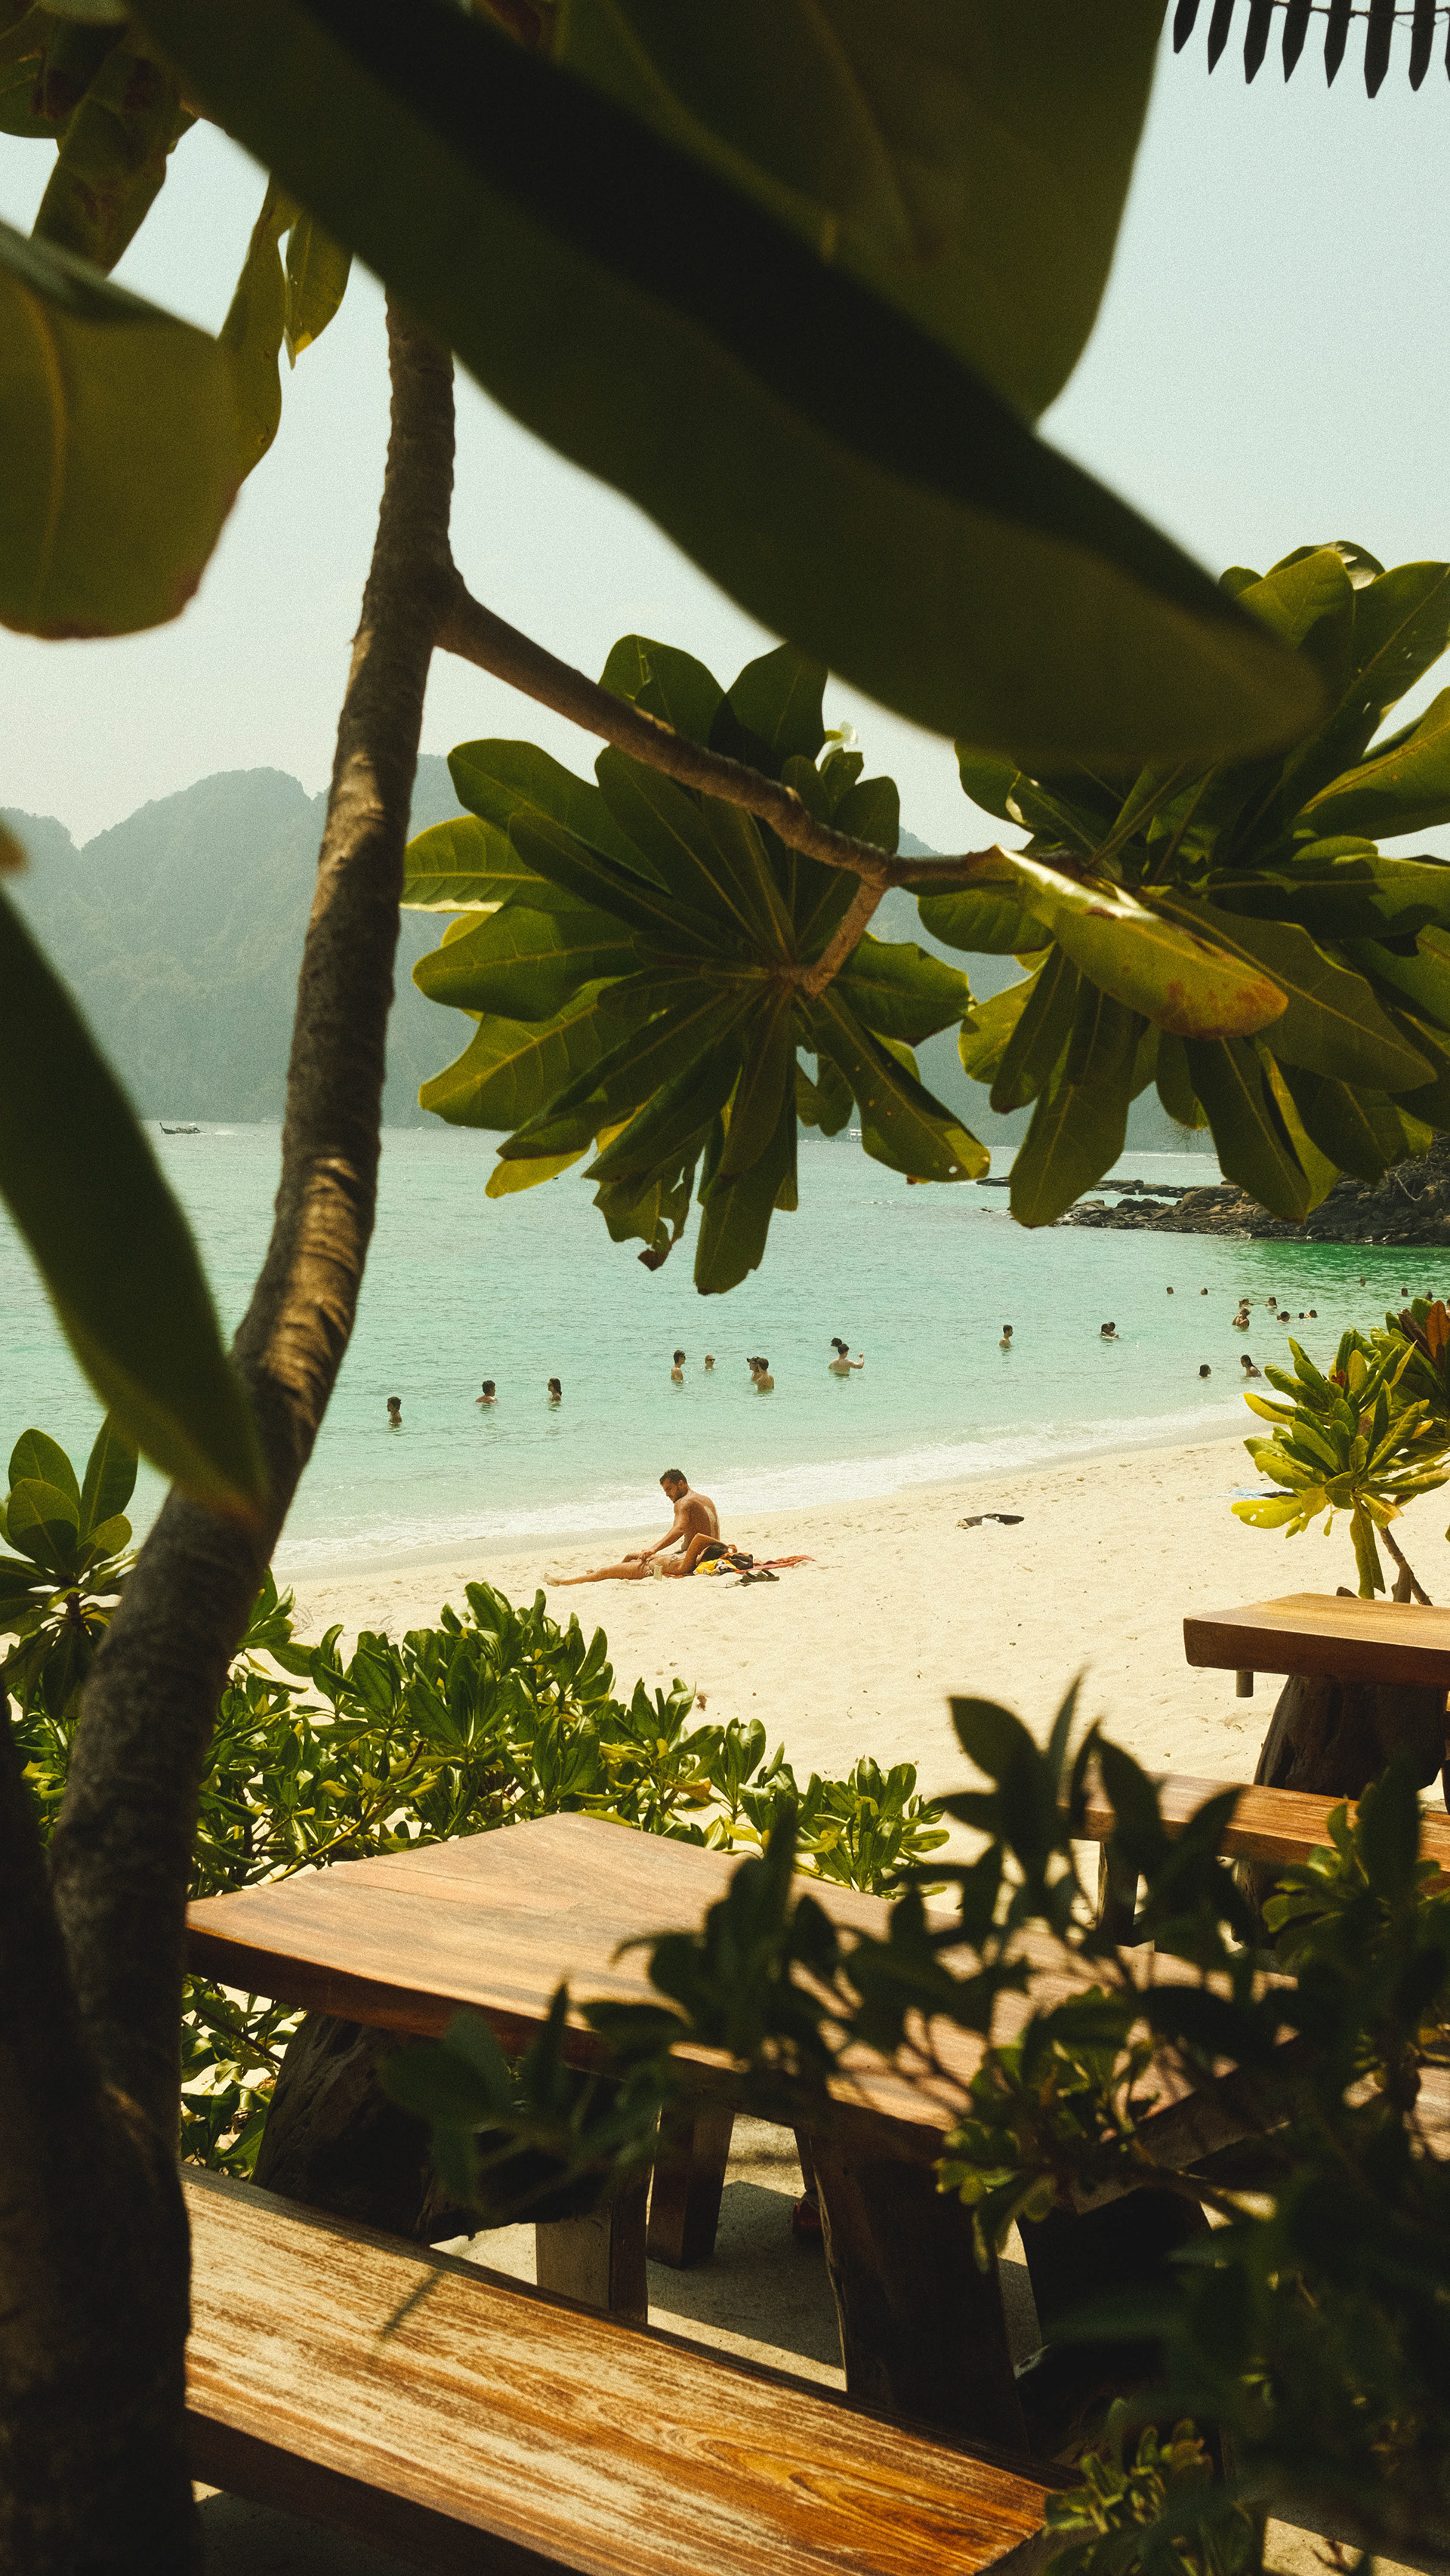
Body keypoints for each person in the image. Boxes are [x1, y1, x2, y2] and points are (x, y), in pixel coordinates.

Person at [551, 1469, 727, 1584]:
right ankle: (609, 1573)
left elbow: (679, 1529)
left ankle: (566, 1581)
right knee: (630, 1557)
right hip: (709, 1551)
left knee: (627, 1564)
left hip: (691, 1556)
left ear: (681, 1484)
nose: (667, 1494)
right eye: (665, 1490)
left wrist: (653, 1548)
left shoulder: (683, 1503)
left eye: (669, 1489)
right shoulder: (705, 1499)